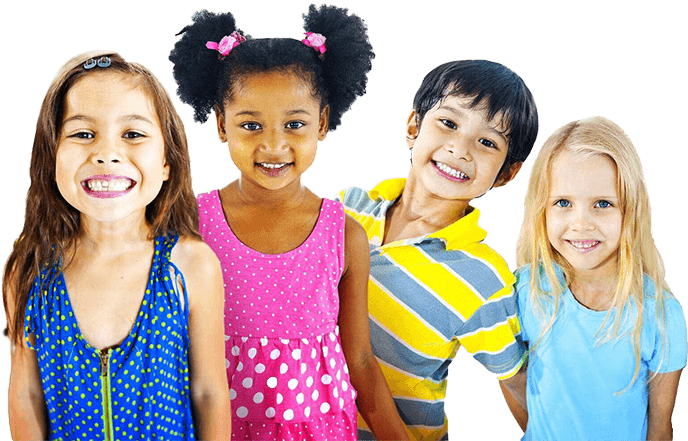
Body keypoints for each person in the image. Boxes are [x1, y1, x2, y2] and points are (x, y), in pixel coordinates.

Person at [168, 5, 410, 440]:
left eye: (294, 124)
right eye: (251, 125)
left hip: (319, 428)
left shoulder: (344, 235)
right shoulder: (191, 222)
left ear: (322, 123)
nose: (274, 145)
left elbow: (359, 359)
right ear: (221, 125)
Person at [3, 50, 231, 440]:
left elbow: (209, 393)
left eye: (132, 134)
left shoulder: (192, 264)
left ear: (167, 162)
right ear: (52, 157)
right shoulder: (31, 266)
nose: (106, 154)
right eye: (82, 134)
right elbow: (27, 394)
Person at [334, 59, 538, 440]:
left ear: (507, 173)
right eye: (448, 122)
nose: (460, 149)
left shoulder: (484, 277)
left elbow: (515, 381)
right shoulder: (347, 208)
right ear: (414, 125)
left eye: (488, 142)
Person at [506, 116, 686, 440]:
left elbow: (660, 429)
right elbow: (511, 382)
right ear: (541, 209)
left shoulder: (661, 313)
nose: (581, 223)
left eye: (602, 204)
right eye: (563, 202)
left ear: (630, 210)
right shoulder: (523, 292)